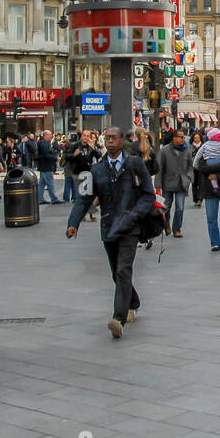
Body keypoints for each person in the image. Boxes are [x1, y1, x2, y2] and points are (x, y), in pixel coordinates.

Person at [66, 127, 156, 339]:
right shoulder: (97, 170)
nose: (110, 141)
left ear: (123, 141)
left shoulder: (135, 164)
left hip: (130, 227)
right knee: (116, 271)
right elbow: (83, 199)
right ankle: (133, 301)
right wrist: (73, 223)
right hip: (109, 226)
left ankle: (118, 318)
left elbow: (148, 195)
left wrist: (135, 214)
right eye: (107, 138)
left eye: (114, 138)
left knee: (124, 269)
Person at [157, 130, 193, 237]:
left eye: (183, 137)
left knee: (180, 207)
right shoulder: (164, 150)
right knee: (166, 207)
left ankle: (177, 229)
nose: (182, 139)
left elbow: (190, 165)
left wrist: (189, 177)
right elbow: (159, 168)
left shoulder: (187, 150)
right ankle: (166, 224)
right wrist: (158, 184)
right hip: (167, 183)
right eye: (180, 137)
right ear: (174, 138)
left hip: (181, 183)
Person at [35, 130, 60, 204]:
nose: (51, 136)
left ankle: (40, 199)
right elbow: (46, 155)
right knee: (50, 183)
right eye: (50, 135)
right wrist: (55, 158)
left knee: (42, 184)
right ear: (45, 136)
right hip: (46, 166)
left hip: (42, 166)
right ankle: (54, 199)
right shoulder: (44, 144)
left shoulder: (42, 143)